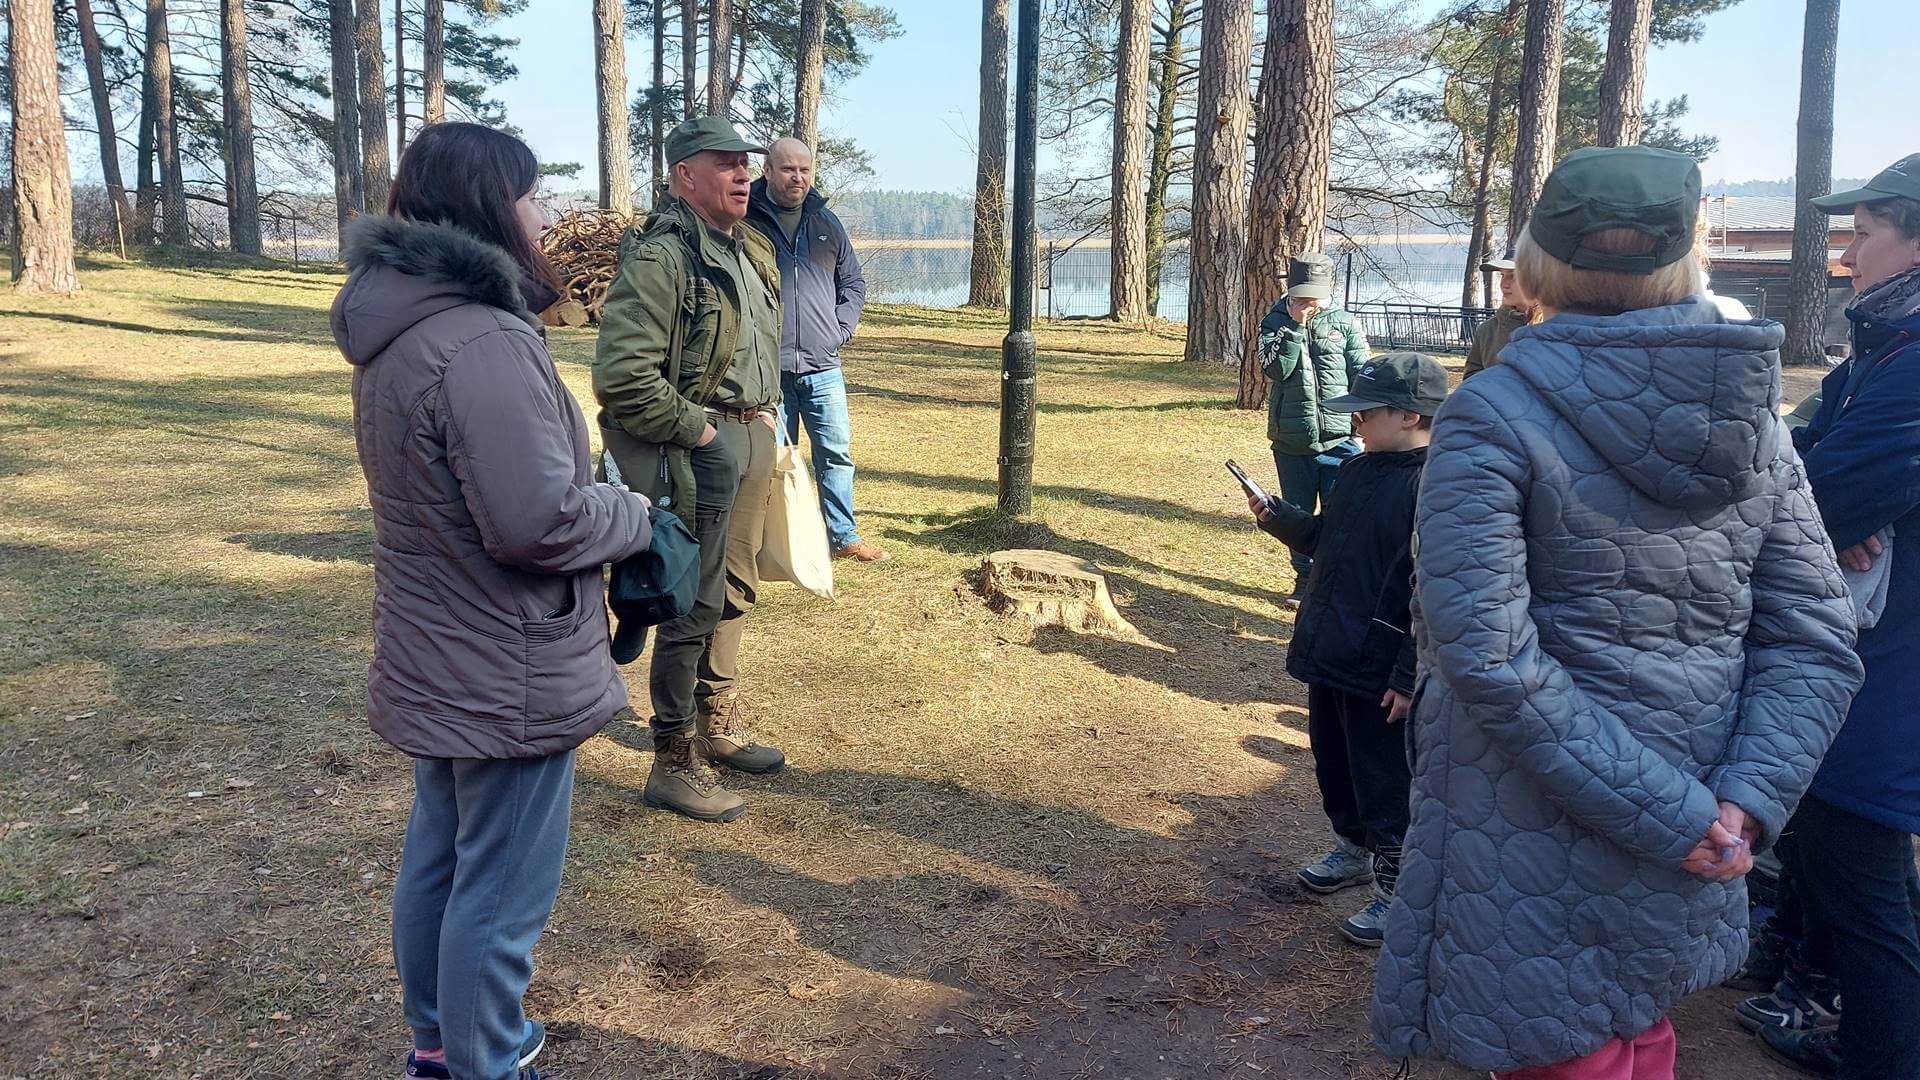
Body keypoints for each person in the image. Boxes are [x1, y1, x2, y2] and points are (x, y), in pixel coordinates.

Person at [1371, 146, 1864, 1080]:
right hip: (1703, 809)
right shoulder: (1753, 419)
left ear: (1538, 260)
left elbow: (1489, 657)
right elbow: (1815, 634)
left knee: (1568, 1045)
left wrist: (1690, 816)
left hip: (1534, 810)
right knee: (1636, 1029)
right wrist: (1742, 803)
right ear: (1688, 257)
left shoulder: (1491, 412)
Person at [333, 122, 654, 1080]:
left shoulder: (405, 324)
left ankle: (440, 1042)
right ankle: (485, 1062)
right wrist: (633, 512)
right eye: (531, 196)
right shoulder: (482, 341)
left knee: (441, 854)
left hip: (441, 642)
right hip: (505, 657)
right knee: (502, 887)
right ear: (488, 206)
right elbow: (536, 523)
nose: (545, 217)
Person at [1760, 151, 1920, 1079]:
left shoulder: (1912, 362)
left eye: (1863, 234)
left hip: (1891, 668)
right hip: (1871, 654)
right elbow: (1798, 460)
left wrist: (1822, 506)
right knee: (1859, 864)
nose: (1846, 255)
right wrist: (1817, 500)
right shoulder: (1886, 351)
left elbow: (1824, 492)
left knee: (1859, 868)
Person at [594, 116, 786, 823]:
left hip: (753, 433)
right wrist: (702, 432)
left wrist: (768, 422)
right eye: (726, 163)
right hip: (698, 447)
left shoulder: (752, 247)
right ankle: (672, 758)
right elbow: (623, 376)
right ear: (685, 176)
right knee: (691, 600)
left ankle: (717, 722)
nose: (743, 174)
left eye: (746, 162)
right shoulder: (662, 257)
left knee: (736, 588)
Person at [1247, 352, 1448, 947]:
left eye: (1366, 411)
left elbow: (1432, 591)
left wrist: (1408, 674)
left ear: (1409, 415)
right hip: (1332, 648)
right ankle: (1352, 848)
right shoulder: (1358, 470)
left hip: (1382, 668)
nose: (1354, 421)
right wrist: (1282, 520)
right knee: (1334, 762)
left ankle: (1398, 886)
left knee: (1384, 778)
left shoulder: (1437, 487)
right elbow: (1326, 539)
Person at [742, 137, 882, 562]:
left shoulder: (826, 223)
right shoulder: (746, 219)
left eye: (804, 170)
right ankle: (766, 543)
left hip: (823, 367)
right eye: (788, 169)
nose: (797, 177)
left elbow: (852, 282)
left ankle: (843, 537)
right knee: (769, 460)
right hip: (768, 370)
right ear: (767, 171)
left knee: (835, 456)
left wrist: (840, 328)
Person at [1258, 252, 1371, 602]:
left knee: (1342, 512)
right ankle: (1305, 580)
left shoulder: (1345, 322)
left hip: (1340, 438)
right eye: (1302, 295)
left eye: (1316, 296)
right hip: (1293, 439)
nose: (1310, 303)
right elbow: (1275, 370)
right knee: (1297, 513)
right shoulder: (1274, 321)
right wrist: (1294, 327)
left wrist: (1363, 424)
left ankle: (1335, 578)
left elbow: (1362, 373)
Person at [1461, 257, 1535, 377]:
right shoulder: (1487, 331)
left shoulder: (1555, 329)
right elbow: (1471, 378)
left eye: (1513, 276)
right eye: (1502, 275)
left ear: (1537, 279)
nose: (1504, 284)